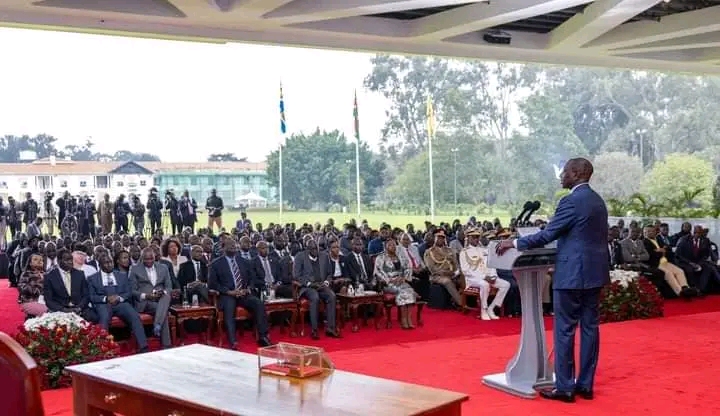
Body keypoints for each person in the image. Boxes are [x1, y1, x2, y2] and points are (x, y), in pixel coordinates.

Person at [496, 157, 608, 403]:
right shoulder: (598, 201)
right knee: (590, 328)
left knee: (565, 330)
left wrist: (513, 243)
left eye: (565, 171)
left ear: (577, 173)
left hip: (571, 274)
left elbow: (549, 234)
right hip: (595, 273)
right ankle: (585, 385)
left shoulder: (570, 201)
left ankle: (565, 388)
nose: (561, 176)